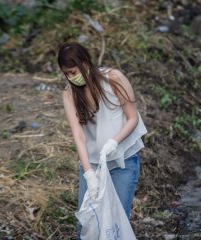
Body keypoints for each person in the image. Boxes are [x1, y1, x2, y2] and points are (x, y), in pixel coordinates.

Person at [57, 42, 147, 238]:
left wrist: (114, 142)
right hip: (94, 164)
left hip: (124, 160)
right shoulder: (69, 93)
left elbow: (133, 118)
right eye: (67, 74)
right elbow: (78, 136)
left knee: (116, 222)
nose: (72, 77)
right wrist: (88, 173)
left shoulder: (113, 78)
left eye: (74, 71)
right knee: (87, 223)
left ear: (85, 63)